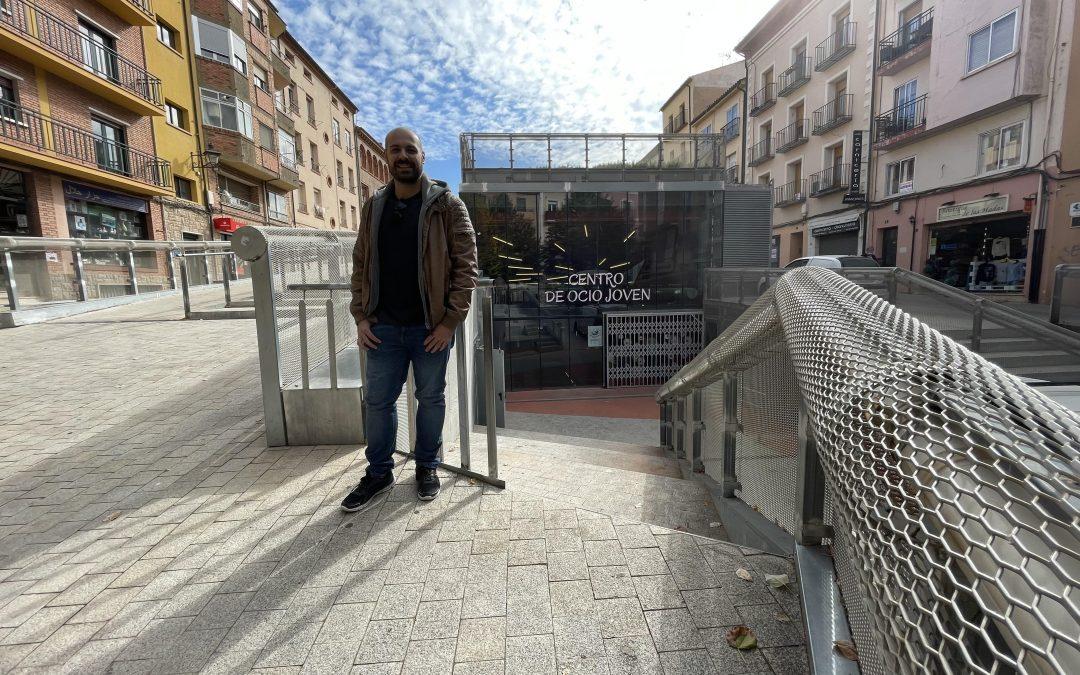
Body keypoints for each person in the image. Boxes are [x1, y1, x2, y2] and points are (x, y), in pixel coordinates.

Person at [342, 127, 478, 513]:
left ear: (423, 156)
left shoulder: (448, 206)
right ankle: (379, 473)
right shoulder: (374, 206)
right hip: (381, 327)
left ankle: (426, 468)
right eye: (395, 150)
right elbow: (361, 264)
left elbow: (466, 269)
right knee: (380, 402)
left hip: (430, 328)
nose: (402, 156)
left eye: (410, 150)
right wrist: (361, 317)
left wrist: (450, 322)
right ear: (386, 156)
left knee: (430, 399)